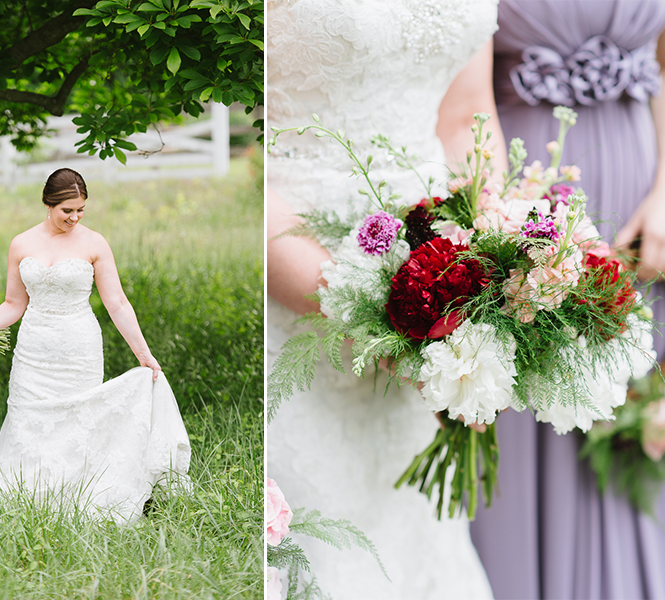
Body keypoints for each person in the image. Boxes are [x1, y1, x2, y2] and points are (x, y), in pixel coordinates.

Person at [267, 0, 507, 596]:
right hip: (292, 261)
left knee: (410, 535)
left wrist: (494, 262)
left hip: (437, 265)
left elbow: (466, 113)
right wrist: (372, 312)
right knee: (321, 541)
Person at [469, 1, 665, 598]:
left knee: (629, 405)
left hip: (643, 201)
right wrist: (504, 232)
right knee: (531, 411)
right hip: (526, 193)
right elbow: (464, 102)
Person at [0, 168, 191, 524]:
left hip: (78, 349)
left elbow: (117, 303)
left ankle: (76, 491)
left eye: (81, 210)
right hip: (33, 349)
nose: (74, 218)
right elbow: (13, 304)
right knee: (27, 419)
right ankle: (26, 491)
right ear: (48, 204)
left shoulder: (94, 243)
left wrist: (144, 353)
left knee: (78, 421)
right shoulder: (21, 243)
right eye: (67, 211)